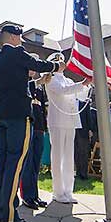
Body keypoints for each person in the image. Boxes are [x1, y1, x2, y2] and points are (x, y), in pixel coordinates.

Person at [0, 24, 63, 222]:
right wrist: (56, 67)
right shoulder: (17, 53)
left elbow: (20, 81)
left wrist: (39, 79)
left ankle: (2, 212)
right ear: (14, 37)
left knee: (3, 165)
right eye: (20, 37)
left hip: (3, 115)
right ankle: (9, 217)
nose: (21, 41)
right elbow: (36, 63)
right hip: (18, 116)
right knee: (15, 164)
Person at [45, 52, 91, 204]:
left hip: (70, 121)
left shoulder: (68, 79)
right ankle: (58, 192)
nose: (62, 64)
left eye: (62, 61)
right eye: (58, 62)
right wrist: (82, 84)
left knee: (69, 157)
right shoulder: (50, 79)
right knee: (58, 157)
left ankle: (68, 191)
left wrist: (87, 85)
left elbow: (81, 97)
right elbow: (63, 91)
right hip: (57, 121)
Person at [20, 60, 51, 210]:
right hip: (28, 126)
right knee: (27, 163)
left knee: (36, 164)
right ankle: (26, 196)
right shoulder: (24, 82)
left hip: (39, 128)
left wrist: (44, 127)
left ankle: (35, 195)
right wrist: (39, 81)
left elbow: (43, 109)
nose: (32, 70)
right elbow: (27, 87)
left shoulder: (38, 88)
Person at [75, 99, 93, 180]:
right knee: (75, 153)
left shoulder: (84, 104)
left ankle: (83, 173)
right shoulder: (68, 103)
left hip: (83, 131)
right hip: (72, 130)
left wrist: (90, 130)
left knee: (83, 152)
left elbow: (88, 117)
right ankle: (77, 172)